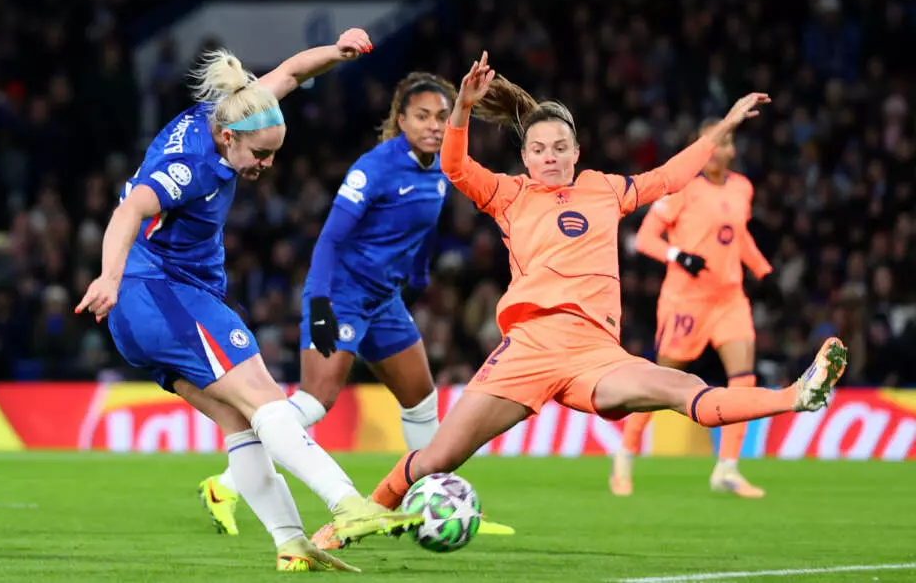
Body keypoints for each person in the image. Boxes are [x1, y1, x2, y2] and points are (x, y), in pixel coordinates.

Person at [362, 52, 847, 516]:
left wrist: (725, 125)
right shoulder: (509, 194)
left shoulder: (605, 189)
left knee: (687, 388)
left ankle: (797, 396)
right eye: (537, 150)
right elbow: (455, 167)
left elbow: (670, 176)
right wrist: (464, 108)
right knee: (435, 460)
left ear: (576, 151)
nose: (548, 157)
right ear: (525, 157)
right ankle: (354, 520)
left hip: (595, 354)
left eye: (558, 148)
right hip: (529, 347)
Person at [75, 30, 423, 573]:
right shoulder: (190, 166)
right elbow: (128, 211)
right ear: (228, 138)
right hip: (161, 294)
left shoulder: (237, 112)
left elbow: (290, 73)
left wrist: (338, 51)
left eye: (273, 154)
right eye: (259, 155)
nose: (265, 165)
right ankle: (348, 504)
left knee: (242, 423)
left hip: (151, 306)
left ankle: (291, 542)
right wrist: (109, 277)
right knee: (267, 399)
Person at [195, 72, 514, 544]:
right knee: (315, 401)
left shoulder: (444, 168)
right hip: (341, 295)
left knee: (421, 400)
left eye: (442, 117)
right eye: (422, 116)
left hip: (384, 299)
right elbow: (330, 237)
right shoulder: (375, 168)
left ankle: (436, 504)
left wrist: (421, 275)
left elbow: (421, 231)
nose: (433, 125)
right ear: (401, 119)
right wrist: (320, 301)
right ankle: (226, 484)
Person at [609, 119, 775, 498]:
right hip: (686, 300)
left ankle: (728, 467)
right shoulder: (683, 188)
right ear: (705, 147)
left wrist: (763, 271)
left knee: (743, 375)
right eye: (721, 142)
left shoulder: (741, 187)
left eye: (730, 143)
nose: (727, 150)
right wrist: (677, 255)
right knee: (661, 381)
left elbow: (737, 234)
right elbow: (645, 238)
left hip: (730, 298)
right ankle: (626, 452)